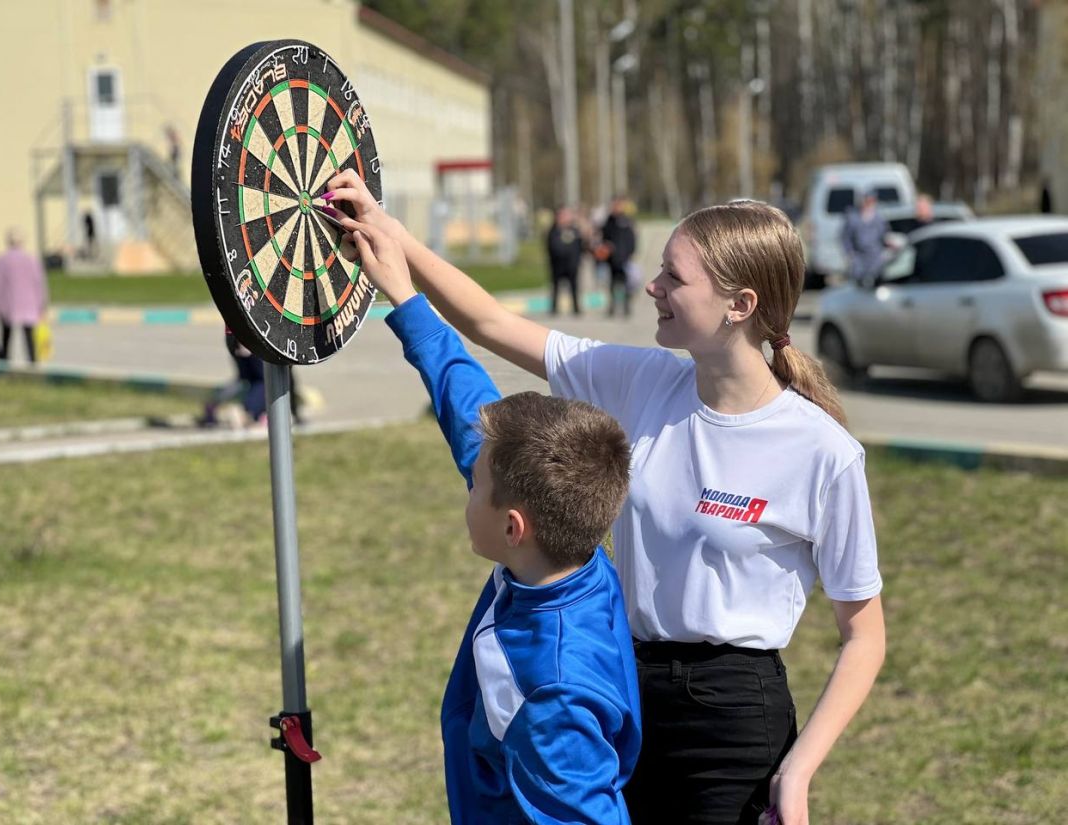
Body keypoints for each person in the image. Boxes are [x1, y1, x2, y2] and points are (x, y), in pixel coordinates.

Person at [322, 172, 886, 825]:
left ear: (739, 303)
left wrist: (798, 772)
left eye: (673, 277)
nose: (652, 287)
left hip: (733, 726)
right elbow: (488, 321)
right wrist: (389, 236)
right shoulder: (643, 380)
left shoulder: (823, 451)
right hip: (625, 681)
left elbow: (864, 635)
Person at [344, 217, 642, 824]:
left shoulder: (547, 688)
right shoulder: (574, 557)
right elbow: (469, 417)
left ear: (513, 527)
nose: (466, 479)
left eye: (474, 484)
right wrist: (404, 298)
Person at [0, 227, 49, 364]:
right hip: (29, 303)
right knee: (29, 335)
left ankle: (4, 361)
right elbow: (40, 283)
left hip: (9, 303)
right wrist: (42, 305)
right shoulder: (31, 259)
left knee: (6, 334)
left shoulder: (2, 260)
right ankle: (32, 362)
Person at [840, 192, 890, 287]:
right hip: (859, 258)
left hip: (875, 258)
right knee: (858, 285)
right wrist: (850, 253)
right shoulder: (853, 218)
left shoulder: (879, 219)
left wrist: (886, 251)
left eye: (871, 201)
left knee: (876, 283)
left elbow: (885, 236)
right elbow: (845, 237)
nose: (869, 204)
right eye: (867, 201)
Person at [600, 196, 637, 317]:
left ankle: (626, 307)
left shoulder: (626, 220)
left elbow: (632, 238)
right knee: (612, 284)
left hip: (624, 258)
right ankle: (612, 307)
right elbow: (604, 237)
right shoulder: (608, 221)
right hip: (611, 259)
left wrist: (631, 252)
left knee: (627, 284)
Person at [546, 206, 584, 316]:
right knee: (556, 287)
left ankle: (576, 308)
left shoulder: (574, 230)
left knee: (574, 287)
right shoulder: (553, 231)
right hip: (557, 265)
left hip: (572, 265)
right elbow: (552, 247)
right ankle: (553, 309)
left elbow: (580, 246)